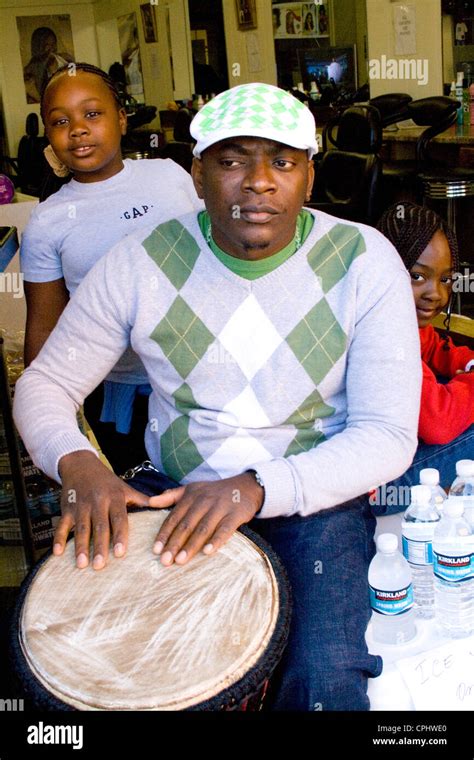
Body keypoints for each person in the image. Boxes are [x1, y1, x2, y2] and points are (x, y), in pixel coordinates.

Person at [13, 83, 422, 711]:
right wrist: (77, 462)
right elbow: (45, 382)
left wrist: (255, 487)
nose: (258, 181)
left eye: (282, 162)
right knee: (79, 660)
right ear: (198, 174)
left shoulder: (364, 262)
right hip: (171, 489)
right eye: (232, 160)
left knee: (324, 679)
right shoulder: (141, 262)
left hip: (312, 500)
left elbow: (388, 435)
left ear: (309, 176)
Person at [20, 63, 202, 474]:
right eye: (61, 121)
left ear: (121, 118)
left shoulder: (169, 177)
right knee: (147, 506)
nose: (78, 129)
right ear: (49, 136)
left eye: (92, 114)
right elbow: (44, 330)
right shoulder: (48, 221)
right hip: (118, 398)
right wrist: (46, 416)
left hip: (204, 377)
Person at [372, 202, 474, 509]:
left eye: (445, 279)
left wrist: (467, 364)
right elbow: (438, 423)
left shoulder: (391, 314)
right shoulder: (382, 332)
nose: (435, 293)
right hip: (375, 488)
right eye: (417, 276)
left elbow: (431, 345)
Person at [23, 27, 73, 104]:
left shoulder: (66, 59)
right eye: (47, 45)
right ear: (38, 46)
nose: (52, 48)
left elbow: (75, 77)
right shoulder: (30, 70)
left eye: (53, 44)